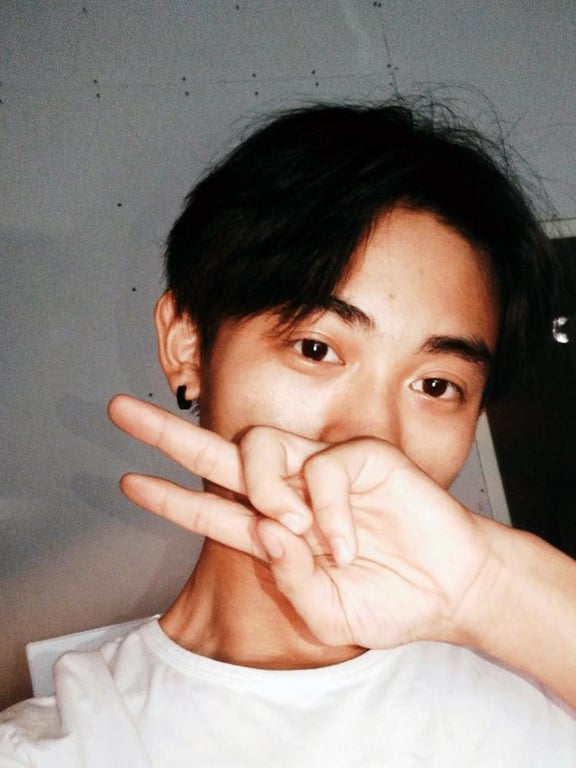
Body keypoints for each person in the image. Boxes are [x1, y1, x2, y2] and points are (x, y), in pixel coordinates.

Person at [1, 100, 576, 766]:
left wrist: (489, 592)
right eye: (315, 348)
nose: (371, 443)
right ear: (188, 347)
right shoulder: (53, 748)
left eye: (435, 385)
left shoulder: (542, 684)